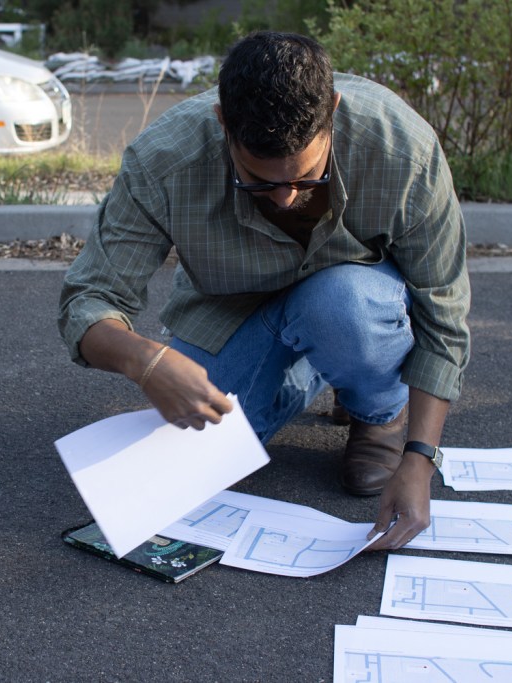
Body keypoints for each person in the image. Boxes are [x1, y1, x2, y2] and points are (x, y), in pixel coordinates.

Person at [58, 31, 470, 550]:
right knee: (185, 462)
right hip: (233, 313)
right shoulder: (163, 160)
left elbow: (444, 309)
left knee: (341, 308)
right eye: (258, 180)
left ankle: (377, 412)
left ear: (333, 112)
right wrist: (148, 361)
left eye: (306, 179)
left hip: (354, 301)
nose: (285, 198)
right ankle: (318, 368)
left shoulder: (401, 148)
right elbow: (87, 301)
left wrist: (419, 457)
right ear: (223, 122)